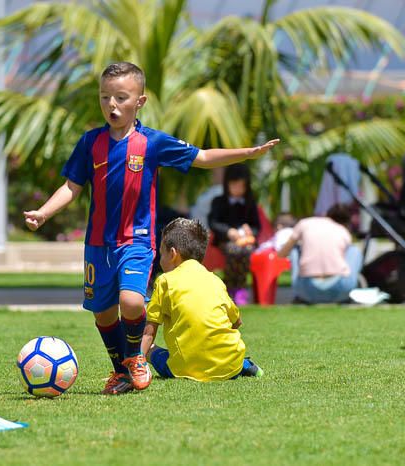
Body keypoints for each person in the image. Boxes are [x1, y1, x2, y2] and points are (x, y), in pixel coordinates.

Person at [23, 62, 278, 394]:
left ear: (139, 102)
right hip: (97, 245)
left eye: (120, 97)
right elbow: (71, 187)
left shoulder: (152, 143)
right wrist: (43, 213)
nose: (111, 105)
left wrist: (246, 153)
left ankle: (135, 359)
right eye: (105, 98)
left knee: (131, 301)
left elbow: (202, 156)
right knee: (102, 313)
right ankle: (123, 371)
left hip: (137, 241)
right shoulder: (90, 143)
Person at [141, 218, 263, 381]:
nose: (159, 259)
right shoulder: (215, 280)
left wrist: (136, 363)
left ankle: (141, 364)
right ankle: (245, 365)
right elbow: (237, 321)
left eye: (161, 253)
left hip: (188, 368)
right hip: (230, 366)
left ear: (172, 254)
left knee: (152, 351)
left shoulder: (165, 281)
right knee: (230, 355)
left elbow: (149, 333)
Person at [277, 203, 363, 304]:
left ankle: (300, 293)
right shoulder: (343, 231)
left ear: (326, 214)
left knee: (295, 249)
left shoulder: (304, 223)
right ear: (346, 223)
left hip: (307, 291)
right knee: (354, 250)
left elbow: (282, 254)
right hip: (340, 290)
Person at [208, 163, 261, 305]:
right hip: (225, 241)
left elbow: (257, 226)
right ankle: (230, 286)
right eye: (234, 185)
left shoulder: (250, 203)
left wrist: (250, 231)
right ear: (227, 184)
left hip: (246, 241)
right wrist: (228, 231)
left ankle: (240, 287)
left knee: (246, 250)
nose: (238, 189)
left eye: (241, 186)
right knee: (234, 250)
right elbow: (213, 222)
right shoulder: (219, 202)